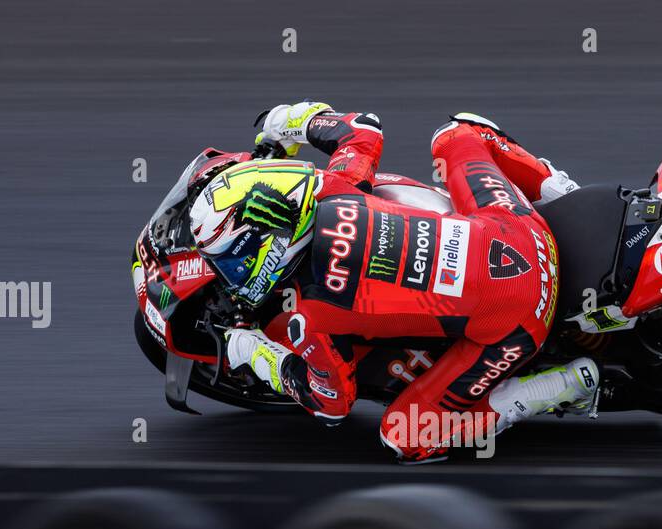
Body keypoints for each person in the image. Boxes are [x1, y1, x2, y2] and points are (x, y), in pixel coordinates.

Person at [189, 102, 599, 462]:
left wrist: (255, 353)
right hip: (523, 229)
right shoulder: (337, 185)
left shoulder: (313, 315)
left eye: (234, 259)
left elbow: (332, 403)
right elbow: (363, 128)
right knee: (457, 132)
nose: (232, 270)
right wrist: (289, 120)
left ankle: (554, 388)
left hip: (520, 323)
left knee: (403, 436)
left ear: (270, 245)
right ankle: (562, 196)